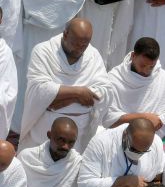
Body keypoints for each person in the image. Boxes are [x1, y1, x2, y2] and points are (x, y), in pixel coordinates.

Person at [20, 18, 107, 152]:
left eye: (84, 45)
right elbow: (39, 88)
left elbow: (104, 90)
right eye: (75, 43)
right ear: (65, 34)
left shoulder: (93, 54)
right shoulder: (43, 51)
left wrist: (67, 97)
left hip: (80, 130)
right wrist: (79, 93)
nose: (79, 49)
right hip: (45, 127)